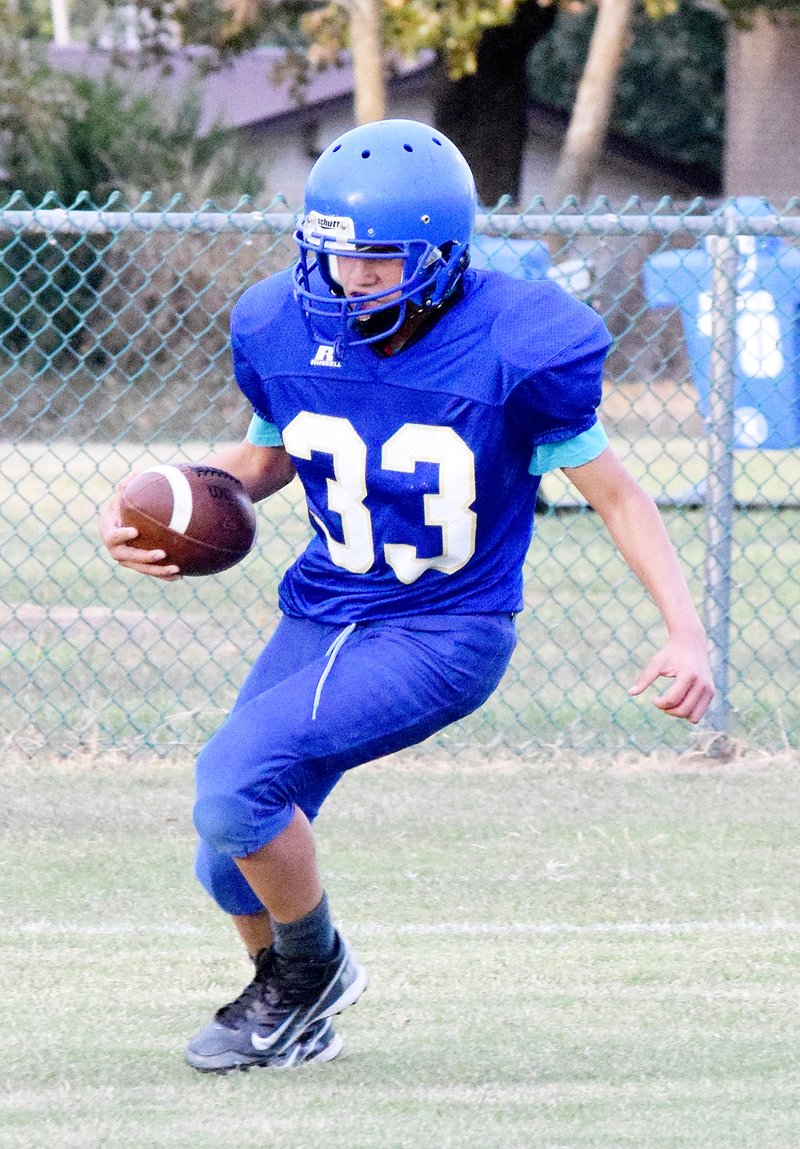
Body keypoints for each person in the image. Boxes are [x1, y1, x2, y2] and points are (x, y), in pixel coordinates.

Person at [100, 119, 715, 1073]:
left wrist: (685, 631)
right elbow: (265, 460)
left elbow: (620, 495)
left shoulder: (517, 339)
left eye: (379, 263)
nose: (350, 282)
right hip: (323, 611)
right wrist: (172, 499)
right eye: (333, 257)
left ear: (441, 253)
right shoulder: (281, 322)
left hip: (443, 629)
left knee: (233, 785)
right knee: (227, 854)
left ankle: (315, 975)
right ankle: (293, 1009)